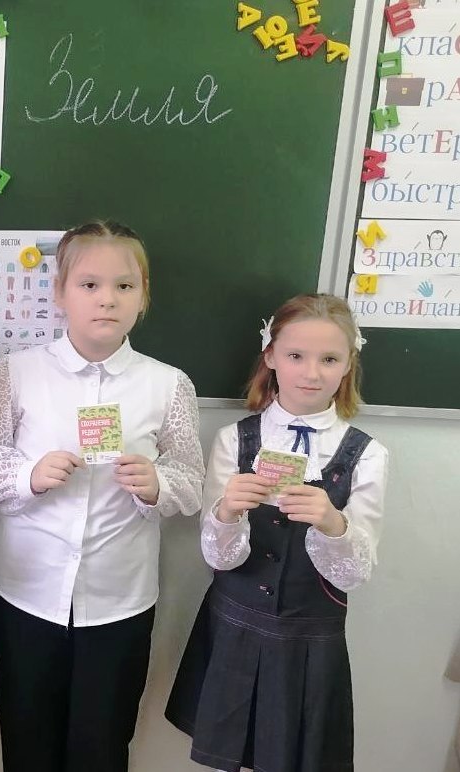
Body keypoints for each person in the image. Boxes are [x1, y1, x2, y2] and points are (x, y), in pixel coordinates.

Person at [0, 220, 205, 772]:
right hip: (28, 592)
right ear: (60, 292)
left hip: (120, 599)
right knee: (28, 742)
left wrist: (158, 484)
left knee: (102, 746)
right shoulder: (14, 374)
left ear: (143, 296)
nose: (107, 299)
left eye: (124, 285)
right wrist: (28, 475)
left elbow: (191, 479)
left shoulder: (168, 384)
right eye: (89, 284)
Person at [166, 293, 389, 772]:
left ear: (348, 365)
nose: (312, 373)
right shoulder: (234, 439)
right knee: (229, 751)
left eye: (329, 359)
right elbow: (217, 558)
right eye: (295, 355)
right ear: (270, 356)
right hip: (234, 626)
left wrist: (333, 524)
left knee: (294, 756)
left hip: (309, 639)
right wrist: (227, 512)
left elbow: (355, 573)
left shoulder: (367, 454)